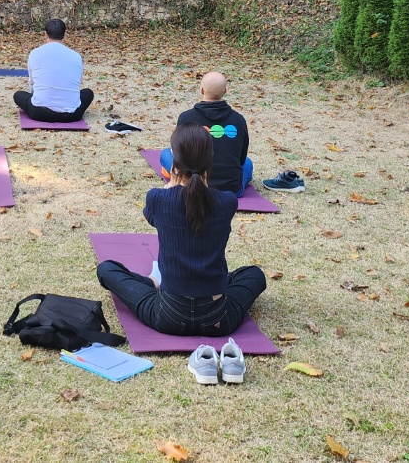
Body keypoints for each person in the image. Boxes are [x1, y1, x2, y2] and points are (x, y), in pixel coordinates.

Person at [96, 123, 267, 337]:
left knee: (106, 270)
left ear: (174, 163)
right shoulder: (227, 201)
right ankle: (186, 282)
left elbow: (152, 217)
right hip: (217, 319)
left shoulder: (158, 198)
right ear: (210, 162)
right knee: (254, 274)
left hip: (168, 316)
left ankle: (153, 282)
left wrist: (169, 187)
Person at [159, 71, 252, 193]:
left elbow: (179, 154)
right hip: (231, 189)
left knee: (166, 154)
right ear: (225, 91)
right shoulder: (239, 120)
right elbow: (241, 159)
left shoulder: (186, 117)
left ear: (201, 90)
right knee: (247, 163)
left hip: (193, 184)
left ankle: (180, 179)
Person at [13, 19, 93, 123]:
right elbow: (78, 82)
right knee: (88, 93)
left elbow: (32, 83)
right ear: (64, 35)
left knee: (18, 95)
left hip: (39, 112)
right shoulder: (76, 56)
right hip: (72, 115)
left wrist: (38, 96)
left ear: (45, 34)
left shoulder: (35, 53)